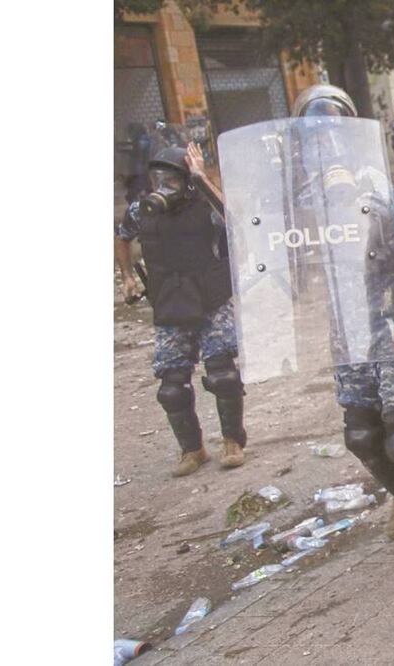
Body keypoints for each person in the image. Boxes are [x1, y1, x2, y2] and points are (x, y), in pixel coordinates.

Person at [290, 84, 394, 570]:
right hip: (345, 323)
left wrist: (348, 194)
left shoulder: (371, 178)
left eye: (333, 133)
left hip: (386, 315)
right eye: (316, 136)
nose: (326, 144)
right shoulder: (303, 194)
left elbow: (384, 235)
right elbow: (284, 249)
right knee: (360, 433)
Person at [115, 146, 247, 477]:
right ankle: (192, 449)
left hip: (210, 300)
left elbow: (234, 221)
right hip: (170, 302)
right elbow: (122, 237)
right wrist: (127, 276)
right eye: (158, 178)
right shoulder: (141, 211)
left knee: (223, 376)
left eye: (171, 179)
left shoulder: (204, 204)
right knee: (171, 387)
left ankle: (232, 442)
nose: (163, 185)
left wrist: (202, 178)